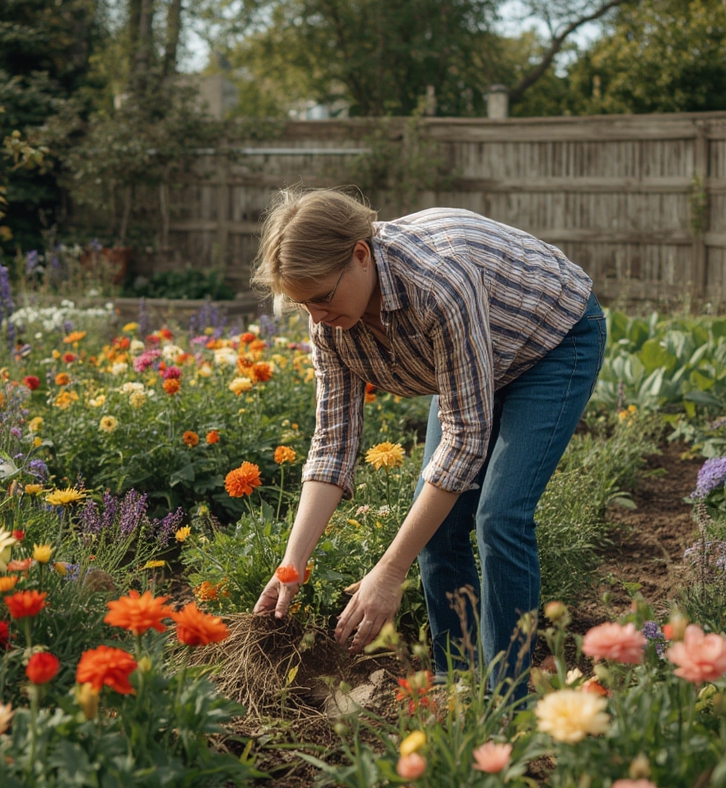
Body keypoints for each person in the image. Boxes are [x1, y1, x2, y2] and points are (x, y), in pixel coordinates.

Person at [251, 188, 606, 698]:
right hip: (473, 357)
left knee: (499, 515)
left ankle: (507, 697)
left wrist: (389, 573)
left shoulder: (436, 285)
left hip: (550, 338)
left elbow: (463, 443)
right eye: (303, 303)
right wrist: (292, 566)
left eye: (324, 297)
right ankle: (454, 679)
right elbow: (333, 444)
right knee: (438, 522)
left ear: (360, 254)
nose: (317, 316)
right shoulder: (329, 325)